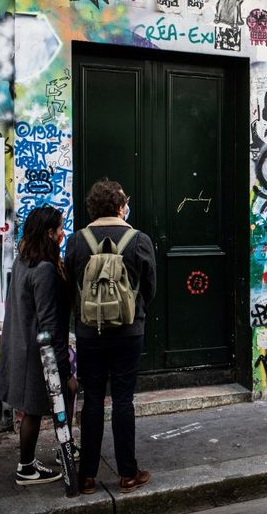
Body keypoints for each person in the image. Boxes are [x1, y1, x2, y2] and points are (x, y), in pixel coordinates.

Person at [64, 179, 156, 494]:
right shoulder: (139, 239)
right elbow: (150, 287)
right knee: (122, 399)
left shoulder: (77, 241)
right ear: (120, 206)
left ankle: (86, 476)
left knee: (91, 399)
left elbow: (69, 287)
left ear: (92, 207)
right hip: (129, 331)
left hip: (89, 332)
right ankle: (128, 474)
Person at [0, 205, 73, 486]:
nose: (64, 233)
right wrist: (62, 366)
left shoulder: (23, 260)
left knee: (38, 407)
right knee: (34, 410)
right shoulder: (44, 270)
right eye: (60, 229)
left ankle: (60, 449)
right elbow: (49, 324)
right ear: (49, 233)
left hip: (21, 347)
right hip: (37, 356)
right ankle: (27, 467)